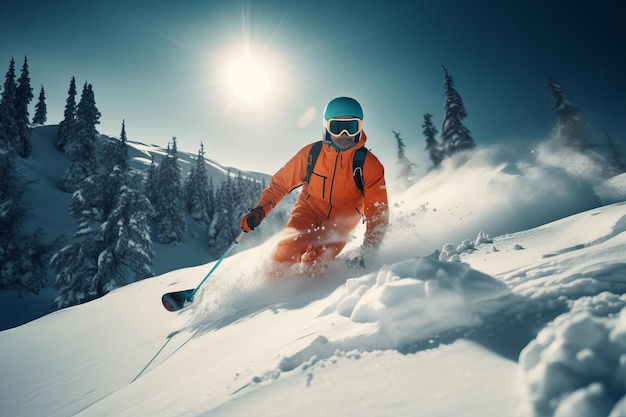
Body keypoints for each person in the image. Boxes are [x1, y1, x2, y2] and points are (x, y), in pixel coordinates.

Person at [239, 96, 389, 277]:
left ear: (360, 127)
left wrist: (369, 252)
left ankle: (307, 300)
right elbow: (280, 184)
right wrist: (260, 211)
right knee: (283, 255)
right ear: (326, 126)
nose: (344, 135)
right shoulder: (311, 154)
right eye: (337, 127)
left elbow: (377, 212)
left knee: (315, 264)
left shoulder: (368, 165)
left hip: (340, 224)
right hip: (308, 211)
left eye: (351, 127)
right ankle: (267, 293)